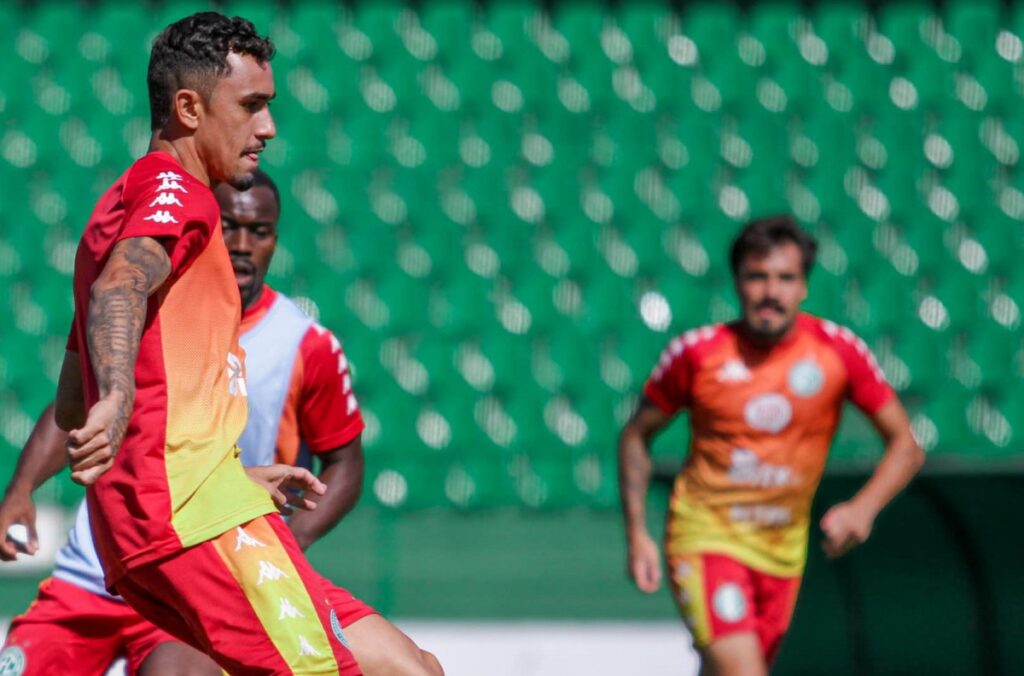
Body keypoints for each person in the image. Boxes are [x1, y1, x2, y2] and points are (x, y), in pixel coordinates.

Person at [0, 172, 442, 675]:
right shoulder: (156, 307)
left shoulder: (303, 344)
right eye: (227, 226)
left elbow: (346, 463)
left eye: (260, 231)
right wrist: (22, 489)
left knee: (412, 668)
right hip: (105, 561)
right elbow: (80, 407)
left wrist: (282, 544)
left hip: (215, 555)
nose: (240, 245)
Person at [46, 11, 365, 673]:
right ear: (189, 108)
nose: (268, 128)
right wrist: (123, 401)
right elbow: (121, 291)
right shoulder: (180, 195)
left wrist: (231, 474)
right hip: (188, 516)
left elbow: (75, 399)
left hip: (149, 522)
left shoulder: (114, 208)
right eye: (250, 107)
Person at [618, 216, 925, 676]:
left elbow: (906, 446)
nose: (770, 292)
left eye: (785, 278)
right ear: (737, 283)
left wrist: (863, 509)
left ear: (803, 287)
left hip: (782, 552)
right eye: (756, 277)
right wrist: (638, 532)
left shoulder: (837, 352)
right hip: (706, 539)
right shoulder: (698, 354)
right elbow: (636, 436)